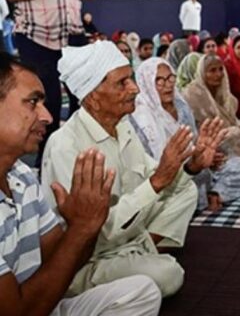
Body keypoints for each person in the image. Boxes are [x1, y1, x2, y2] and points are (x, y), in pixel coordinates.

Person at [41, 41, 222, 297]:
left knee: (186, 191)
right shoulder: (66, 146)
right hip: (90, 258)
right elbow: (93, 231)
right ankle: (138, 260)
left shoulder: (122, 125)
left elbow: (155, 178)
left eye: (132, 79)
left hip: (127, 233)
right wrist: (157, 181)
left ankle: (141, 253)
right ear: (93, 97)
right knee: (169, 275)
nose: (134, 88)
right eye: (122, 83)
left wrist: (192, 166)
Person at [0, 52, 161, 315]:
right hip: (25, 309)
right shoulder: (64, 144)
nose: (47, 116)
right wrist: (82, 228)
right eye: (33, 102)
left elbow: (62, 258)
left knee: (143, 291)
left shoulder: (22, 177)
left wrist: (85, 224)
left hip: (45, 300)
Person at [0, 0, 101, 166]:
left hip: (73, 36)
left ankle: (81, 166)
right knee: (47, 110)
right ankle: (45, 172)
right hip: (36, 36)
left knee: (86, 107)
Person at [131, 57, 240, 211]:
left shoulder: (181, 106)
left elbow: (195, 142)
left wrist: (206, 156)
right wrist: (192, 163)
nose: (168, 85)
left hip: (197, 170)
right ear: (146, 83)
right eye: (159, 80)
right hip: (170, 179)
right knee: (179, 194)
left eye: (170, 78)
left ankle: (215, 193)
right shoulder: (141, 119)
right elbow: (151, 167)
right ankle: (201, 197)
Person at [183, 54, 240, 157]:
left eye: (221, 69)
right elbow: (206, 127)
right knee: (235, 133)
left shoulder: (222, 90)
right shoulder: (193, 93)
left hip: (229, 130)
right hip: (207, 139)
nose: (218, 74)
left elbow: (233, 120)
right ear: (202, 73)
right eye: (212, 70)